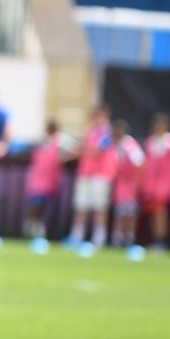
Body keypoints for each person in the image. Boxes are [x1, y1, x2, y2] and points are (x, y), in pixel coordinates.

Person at [67, 106, 117, 248]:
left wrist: (80, 149)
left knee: (99, 208)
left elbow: (98, 150)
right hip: (85, 174)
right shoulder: (90, 130)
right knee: (80, 207)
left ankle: (99, 238)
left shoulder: (108, 132)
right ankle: (76, 237)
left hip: (101, 175)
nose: (96, 119)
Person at [140, 113, 170, 250]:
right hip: (151, 186)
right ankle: (156, 240)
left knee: (160, 213)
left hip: (166, 186)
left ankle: (160, 242)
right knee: (154, 214)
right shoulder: (150, 142)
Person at [23, 120, 70, 239]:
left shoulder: (60, 140)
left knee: (40, 206)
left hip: (49, 180)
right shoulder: (43, 142)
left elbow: (71, 151)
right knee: (37, 205)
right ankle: (35, 228)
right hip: (38, 180)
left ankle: (36, 229)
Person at [110, 119, 145, 248]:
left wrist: (137, 183)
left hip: (130, 186)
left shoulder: (130, 145)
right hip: (121, 185)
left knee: (129, 214)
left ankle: (129, 239)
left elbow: (141, 163)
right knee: (120, 213)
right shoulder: (116, 145)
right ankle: (118, 239)